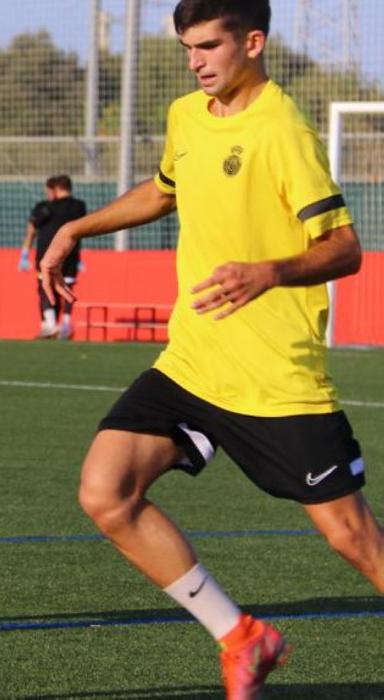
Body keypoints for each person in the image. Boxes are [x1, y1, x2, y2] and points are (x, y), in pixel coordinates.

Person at [39, 1, 383, 698]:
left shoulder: (283, 129)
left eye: (208, 46)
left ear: (252, 42)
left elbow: (345, 248)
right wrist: (80, 229)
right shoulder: (186, 117)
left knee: (353, 539)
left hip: (274, 375)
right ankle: (242, 638)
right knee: (106, 492)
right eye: (187, 48)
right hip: (193, 362)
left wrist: (270, 271)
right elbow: (165, 191)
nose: (196, 61)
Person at [19, 175, 86, 339]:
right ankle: (65, 325)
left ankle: (50, 325)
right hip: (71, 254)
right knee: (67, 287)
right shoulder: (79, 207)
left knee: (45, 286)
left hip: (47, 255)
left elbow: (32, 228)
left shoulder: (45, 207)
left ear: (55, 189)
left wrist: (25, 253)